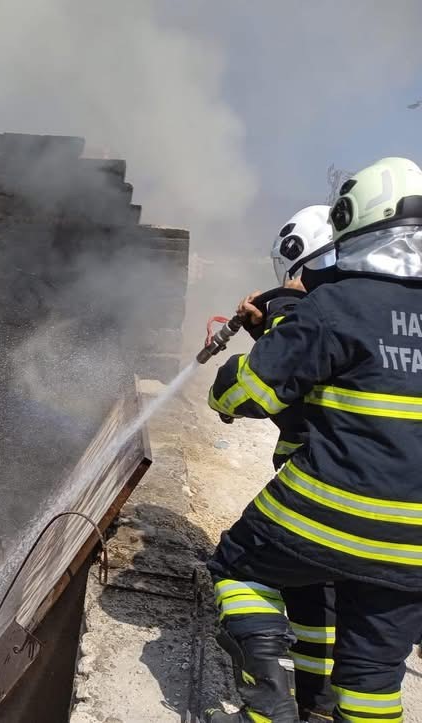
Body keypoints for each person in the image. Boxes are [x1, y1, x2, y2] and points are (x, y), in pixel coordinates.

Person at [204, 157, 422, 723]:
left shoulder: (338, 304)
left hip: (329, 508)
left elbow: (250, 395)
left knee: (238, 566)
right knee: (373, 684)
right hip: (415, 547)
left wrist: (228, 378)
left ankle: (269, 703)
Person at [228, 205, 338, 722]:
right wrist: (264, 331)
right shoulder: (376, 313)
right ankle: (317, 706)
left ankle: (271, 709)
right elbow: (308, 377)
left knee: (236, 564)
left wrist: (281, 312)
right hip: (389, 503)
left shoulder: (318, 313)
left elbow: (263, 393)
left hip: (319, 488)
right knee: (319, 597)